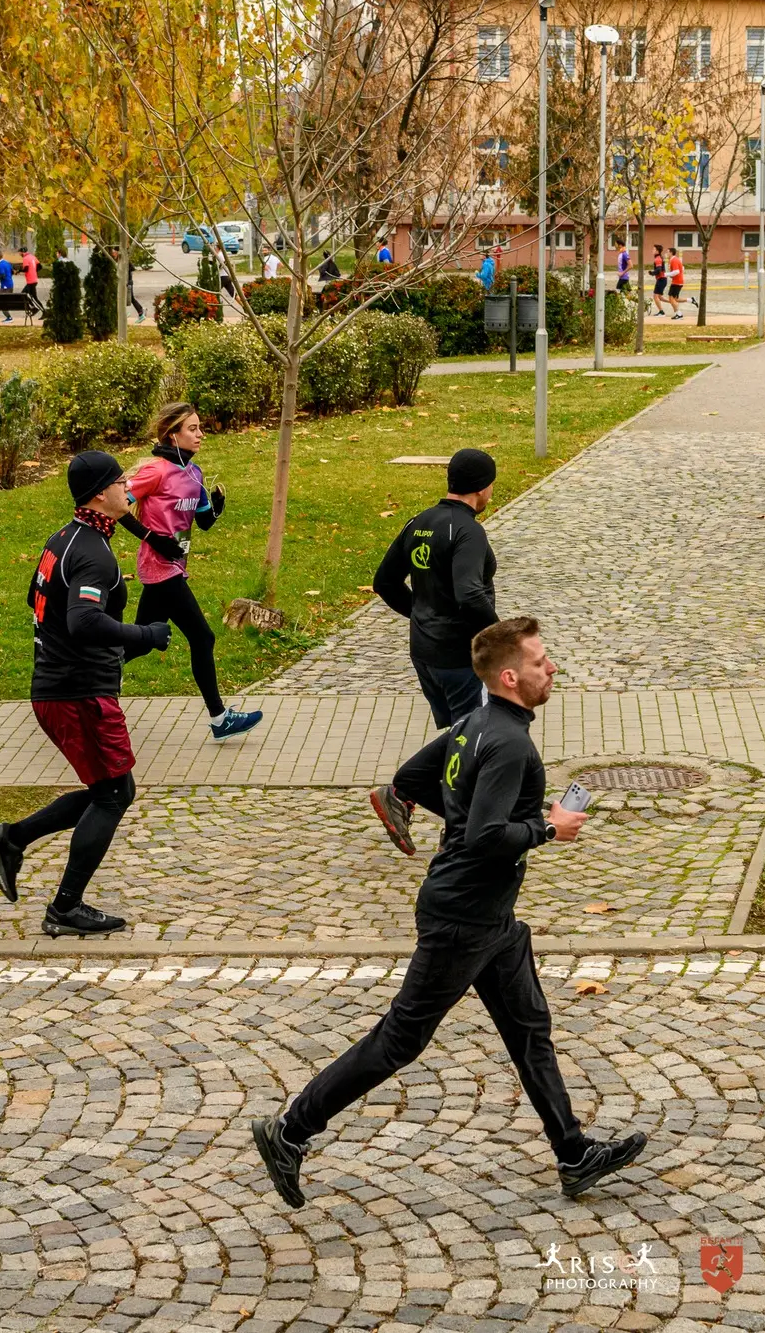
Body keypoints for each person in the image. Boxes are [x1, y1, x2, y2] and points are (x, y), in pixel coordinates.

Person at [252, 616, 650, 1209]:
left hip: (490, 920)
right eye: (543, 662)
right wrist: (546, 826)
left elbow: (411, 778)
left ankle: (573, 1153)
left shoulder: (474, 723)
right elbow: (489, 836)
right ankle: (290, 1132)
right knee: (400, 1039)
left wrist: (470, 820)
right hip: (463, 918)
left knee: (528, 1030)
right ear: (511, 676)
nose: (553, 669)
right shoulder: (511, 741)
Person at [0, 452, 172, 938]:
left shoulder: (63, 539)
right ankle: (64, 906)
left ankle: (12, 838)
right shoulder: (92, 551)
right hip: (77, 692)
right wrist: (143, 635)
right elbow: (82, 621)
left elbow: (37, 599)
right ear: (99, 493)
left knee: (105, 790)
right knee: (113, 795)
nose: (128, 486)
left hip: (61, 687)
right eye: (120, 480)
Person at [119, 404, 262, 740]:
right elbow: (116, 506)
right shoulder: (155, 471)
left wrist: (217, 508)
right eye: (193, 429)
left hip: (175, 567)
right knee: (203, 637)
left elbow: (202, 522)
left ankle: (89, 671)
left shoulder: (194, 474)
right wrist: (155, 539)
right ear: (173, 434)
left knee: (145, 639)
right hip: (159, 567)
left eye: (200, 428)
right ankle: (220, 719)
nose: (201, 434)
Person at [372, 447, 500, 737]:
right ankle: (450, 783)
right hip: (460, 657)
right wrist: (503, 638)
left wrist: (421, 614)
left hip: (424, 654)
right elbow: (469, 594)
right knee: (474, 740)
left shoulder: (419, 522)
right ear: (482, 488)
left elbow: (385, 583)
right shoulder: (468, 531)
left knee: (457, 736)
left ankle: (442, 781)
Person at [0, 249, 16, 323]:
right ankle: (9, 317)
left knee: (2, 302)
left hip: (5, 286)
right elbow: (12, 272)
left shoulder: (0, 265)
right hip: (10, 284)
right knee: (5, 302)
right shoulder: (7, 262)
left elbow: (2, 276)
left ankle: (9, 317)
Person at [20, 246, 42, 314]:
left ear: (22, 252)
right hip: (34, 279)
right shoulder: (32, 256)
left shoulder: (25, 258)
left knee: (23, 294)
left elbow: (26, 269)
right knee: (29, 296)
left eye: (20, 253)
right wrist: (34, 271)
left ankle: (37, 309)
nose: (20, 254)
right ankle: (36, 308)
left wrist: (19, 270)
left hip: (30, 281)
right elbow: (40, 266)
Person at [666, 248, 685, 318]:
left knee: (672, 299)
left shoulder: (674, 260)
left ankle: (679, 314)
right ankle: (678, 313)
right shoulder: (674, 260)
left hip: (677, 282)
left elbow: (677, 271)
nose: (667, 254)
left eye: (667, 252)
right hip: (677, 281)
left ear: (671, 253)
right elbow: (682, 268)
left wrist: (666, 274)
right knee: (673, 299)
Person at [650, 245, 668, 316]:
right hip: (662, 279)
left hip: (661, 279)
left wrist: (652, 273)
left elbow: (659, 269)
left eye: (653, 249)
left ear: (657, 251)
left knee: (655, 296)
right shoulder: (659, 257)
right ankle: (673, 302)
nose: (652, 250)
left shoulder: (658, 259)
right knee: (660, 297)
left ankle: (661, 312)